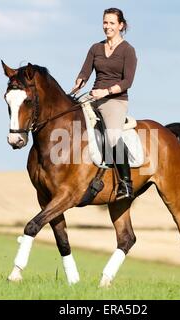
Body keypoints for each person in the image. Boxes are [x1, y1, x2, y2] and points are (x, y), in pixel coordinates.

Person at [72, 7, 137, 200]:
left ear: (121, 25)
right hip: (93, 96)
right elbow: (85, 72)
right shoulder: (95, 48)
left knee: (112, 137)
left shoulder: (128, 50)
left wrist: (105, 92)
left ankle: (126, 184)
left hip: (114, 100)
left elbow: (127, 82)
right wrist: (79, 82)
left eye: (111, 23)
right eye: (105, 23)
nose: (107, 27)